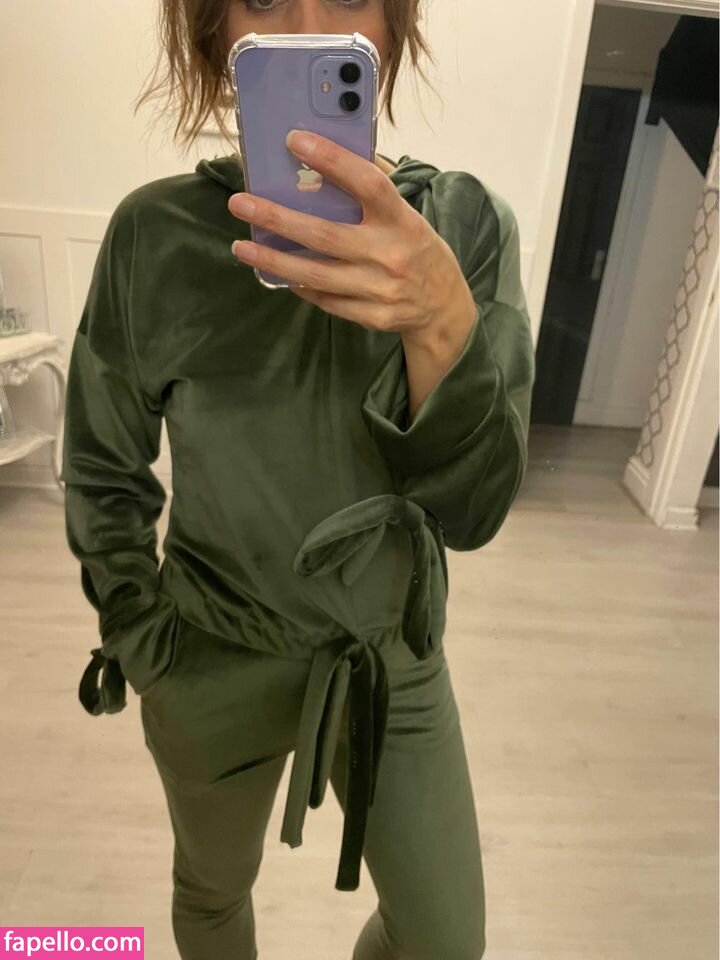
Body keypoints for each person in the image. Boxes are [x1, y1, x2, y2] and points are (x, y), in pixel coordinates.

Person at [61, 1, 536, 958]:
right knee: (211, 895)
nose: (311, 24)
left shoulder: (463, 228)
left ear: (392, 27)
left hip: (389, 659)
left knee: (444, 941)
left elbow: (474, 511)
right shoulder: (155, 237)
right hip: (209, 658)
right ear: (214, 36)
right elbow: (103, 468)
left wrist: (440, 321)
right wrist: (145, 643)